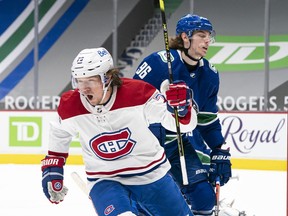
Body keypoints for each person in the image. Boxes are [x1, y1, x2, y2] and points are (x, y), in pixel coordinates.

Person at [41, 47, 198, 216]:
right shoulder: (70, 105)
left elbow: (183, 126)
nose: (83, 89)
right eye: (79, 81)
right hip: (105, 180)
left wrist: (182, 110)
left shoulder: (138, 93)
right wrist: (53, 167)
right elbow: (59, 132)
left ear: (108, 78)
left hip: (152, 175)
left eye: (90, 81)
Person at [133, 14, 232, 216]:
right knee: (149, 205)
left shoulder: (210, 74)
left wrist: (218, 148)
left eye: (209, 36)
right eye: (201, 35)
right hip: (145, 148)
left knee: (204, 199)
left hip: (175, 145)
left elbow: (207, 119)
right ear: (185, 38)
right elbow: (131, 106)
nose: (207, 41)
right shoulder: (157, 64)